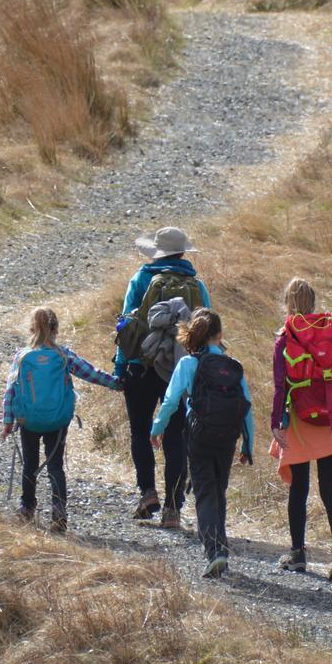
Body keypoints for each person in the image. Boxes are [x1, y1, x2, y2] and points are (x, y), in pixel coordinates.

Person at [115, 226, 212, 527]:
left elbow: (125, 326)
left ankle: (147, 493)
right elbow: (207, 328)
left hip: (140, 365)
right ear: (183, 252)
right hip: (181, 370)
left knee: (140, 430)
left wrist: (121, 367)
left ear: (156, 251)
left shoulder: (141, 278)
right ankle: (173, 507)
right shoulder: (196, 284)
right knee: (176, 437)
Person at [151, 308, 254, 578]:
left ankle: (214, 551)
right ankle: (219, 545)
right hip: (228, 436)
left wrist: (157, 428)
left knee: (205, 490)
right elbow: (247, 408)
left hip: (199, 435)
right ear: (219, 335)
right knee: (218, 490)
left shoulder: (187, 364)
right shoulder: (234, 367)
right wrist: (248, 445)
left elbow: (171, 401)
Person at [1, 307, 121, 532]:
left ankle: (27, 507)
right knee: (55, 465)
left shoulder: (22, 356)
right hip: (58, 419)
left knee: (30, 464)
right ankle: (58, 511)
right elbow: (90, 373)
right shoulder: (64, 355)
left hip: (29, 420)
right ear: (56, 328)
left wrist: (7, 422)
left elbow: (10, 391)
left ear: (32, 328)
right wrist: (117, 383)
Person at [270, 278, 332, 581]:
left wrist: (276, 423)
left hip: (302, 422)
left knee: (299, 490)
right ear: (314, 302)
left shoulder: (285, 338)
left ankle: (298, 555)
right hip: (331, 419)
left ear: (287, 303)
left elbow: (280, 387)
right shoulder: (331, 332)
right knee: (331, 490)